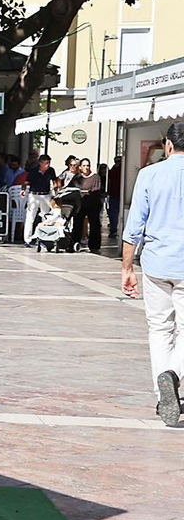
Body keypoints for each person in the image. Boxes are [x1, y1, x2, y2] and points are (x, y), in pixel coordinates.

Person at [121, 120, 184, 426]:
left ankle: (163, 396)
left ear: (168, 146)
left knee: (159, 329)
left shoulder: (149, 174)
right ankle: (174, 374)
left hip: (157, 264)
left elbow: (134, 229)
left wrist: (126, 268)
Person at [23, 154, 56, 244]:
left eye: (49, 163)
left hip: (46, 195)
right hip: (34, 195)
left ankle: (44, 239)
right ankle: (27, 239)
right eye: (46, 163)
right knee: (30, 217)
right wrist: (23, 189)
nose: (48, 165)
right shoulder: (34, 171)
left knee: (45, 217)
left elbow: (54, 181)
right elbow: (27, 182)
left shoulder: (51, 170)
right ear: (40, 163)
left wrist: (56, 190)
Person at [74, 158, 103, 253]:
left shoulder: (95, 177)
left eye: (88, 165)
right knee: (77, 223)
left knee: (94, 225)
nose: (86, 167)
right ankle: (74, 242)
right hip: (80, 204)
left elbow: (96, 190)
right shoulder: (77, 177)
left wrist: (86, 192)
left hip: (93, 205)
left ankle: (94, 246)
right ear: (80, 167)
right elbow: (72, 188)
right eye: (84, 166)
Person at [107, 156, 123, 239]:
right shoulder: (117, 169)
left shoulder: (115, 169)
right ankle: (114, 230)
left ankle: (114, 230)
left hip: (116, 194)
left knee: (114, 214)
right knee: (114, 214)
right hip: (115, 194)